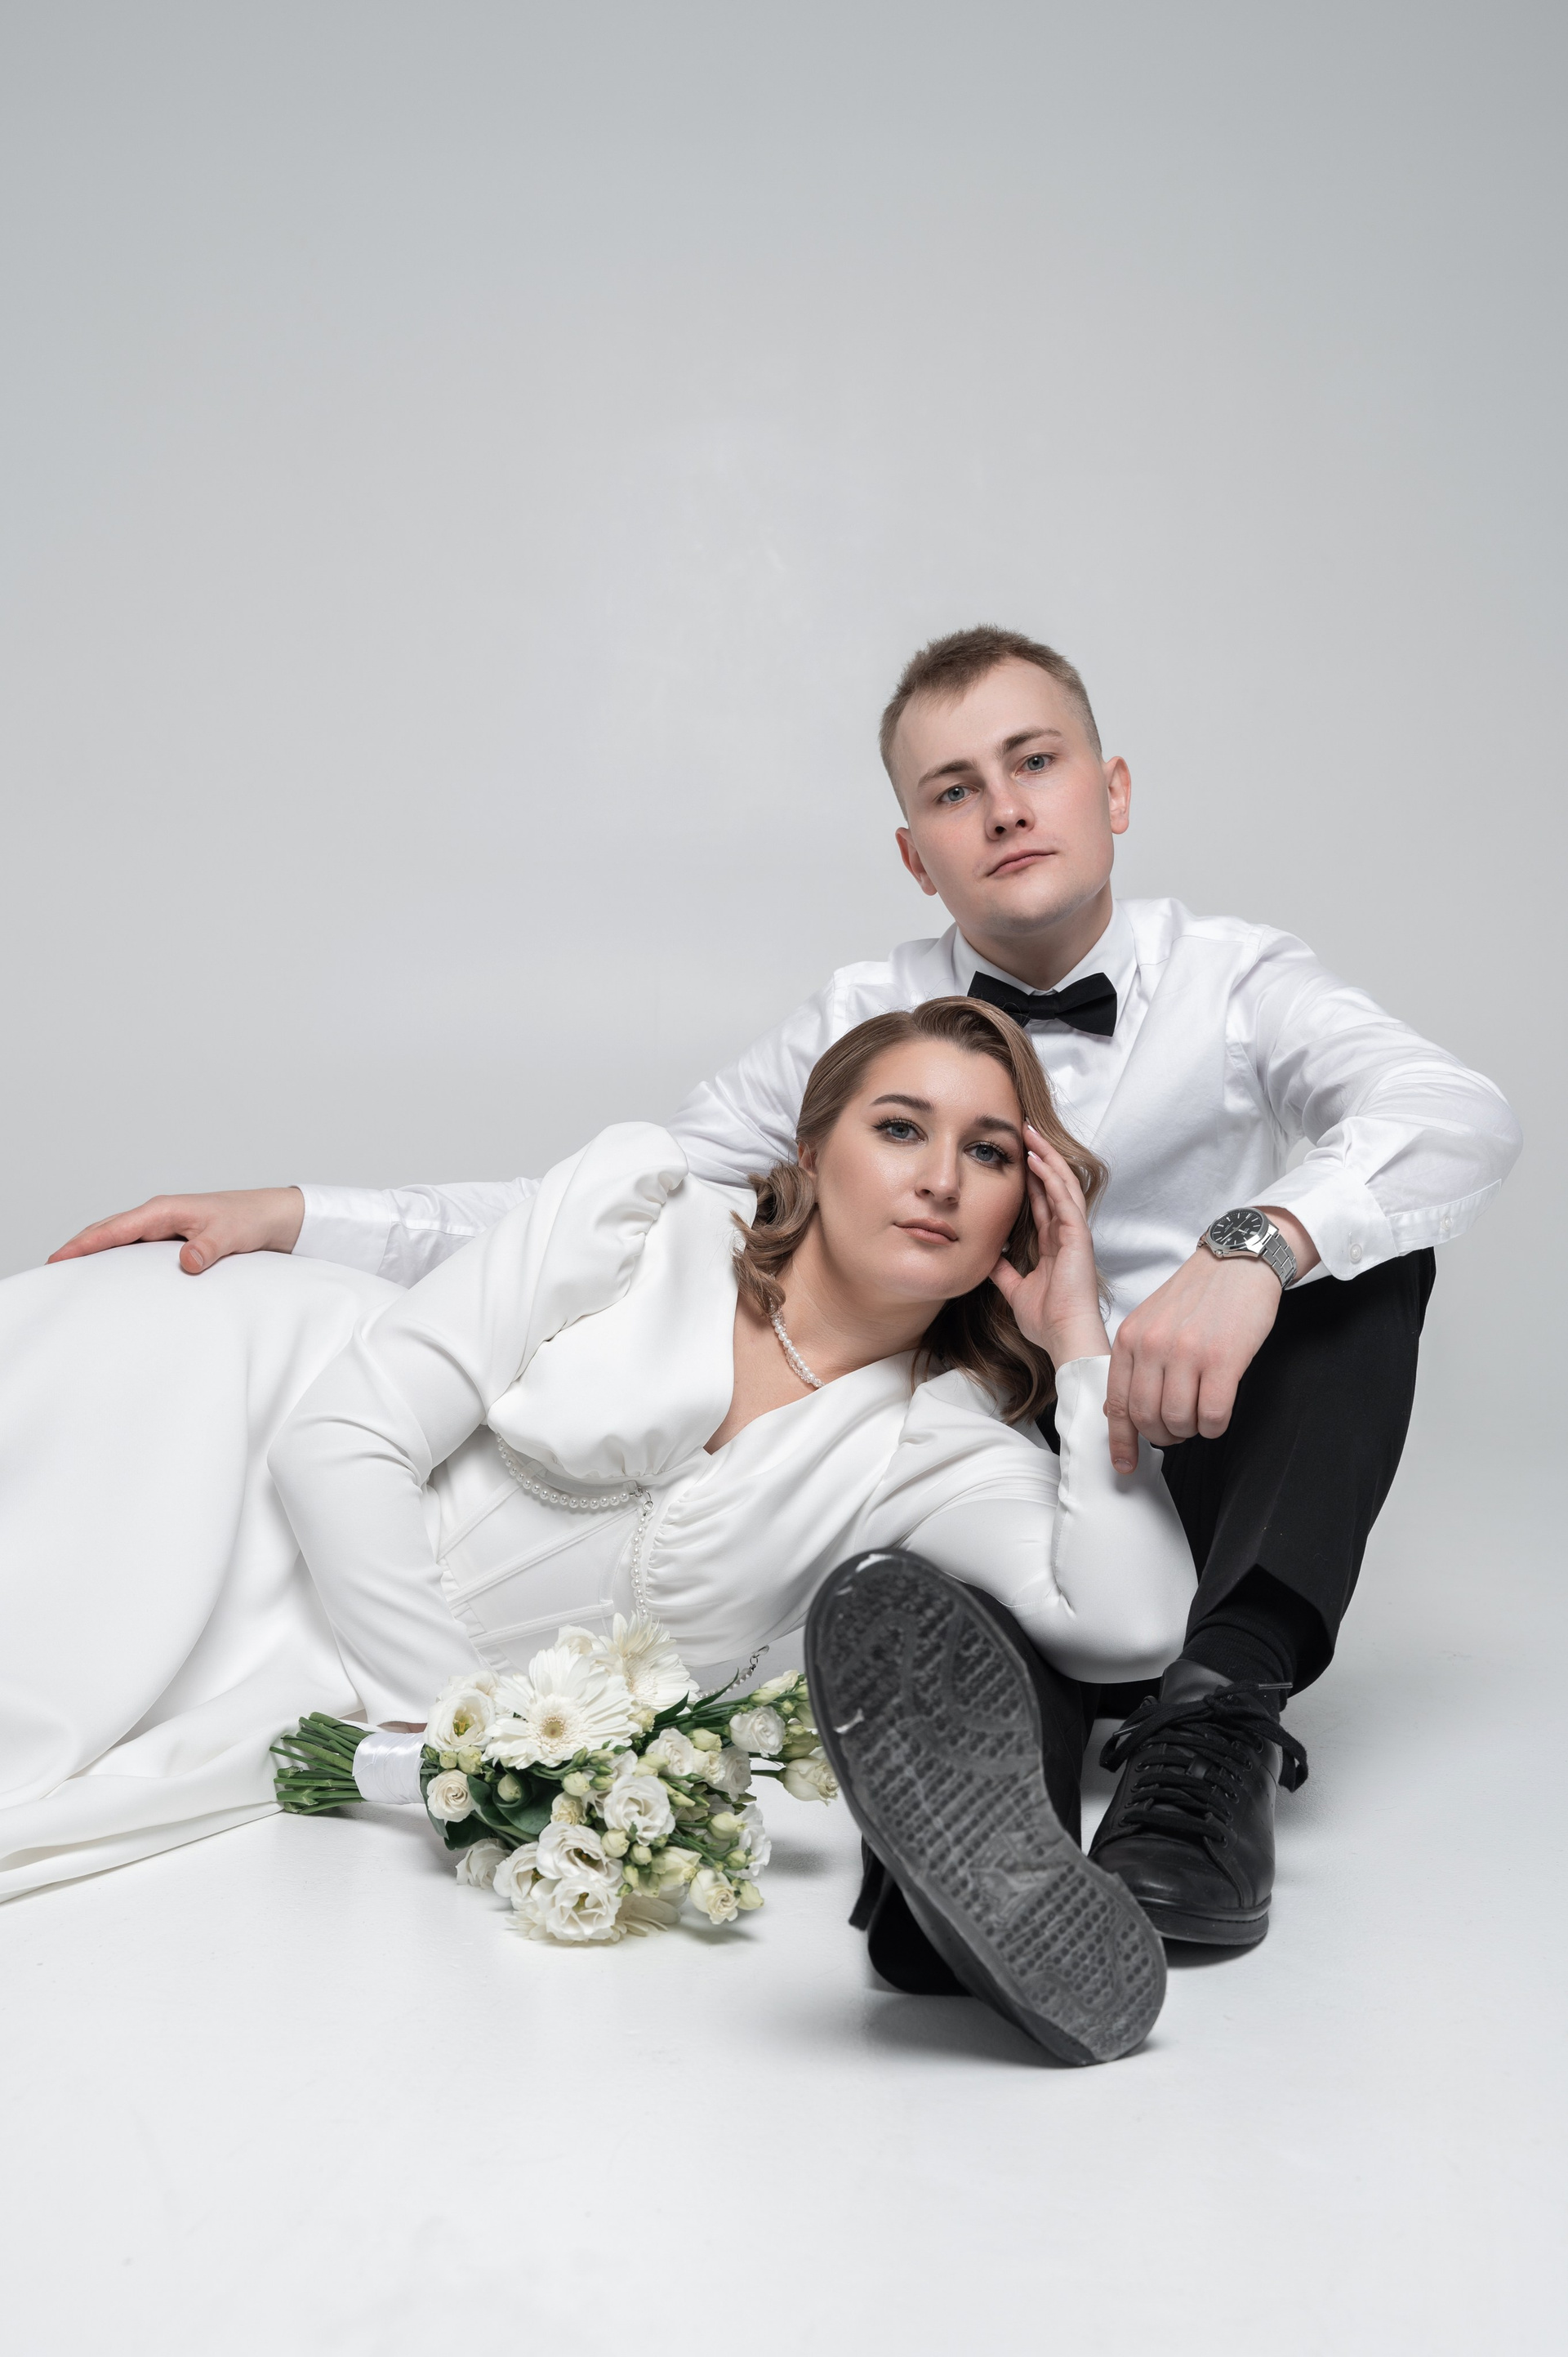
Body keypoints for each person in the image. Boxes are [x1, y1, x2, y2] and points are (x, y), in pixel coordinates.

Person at [51, 626, 1521, 1969]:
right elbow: (625, 1200)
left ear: (1112, 788)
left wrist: (1252, 1247)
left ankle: (1213, 1723)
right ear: (916, 854)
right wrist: (304, 1214)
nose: (1005, 810)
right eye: (955, 791)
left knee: (1373, 1261)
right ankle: (956, 1874)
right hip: (968, 1426)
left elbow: (1454, 1112)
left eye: (1035, 763)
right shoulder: (858, 1026)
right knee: (941, 1613)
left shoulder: (1236, 984)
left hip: (1172, 1420)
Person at [4, 1000, 1195, 2063]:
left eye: (988, 1154)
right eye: (899, 1129)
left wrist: (1079, 1339)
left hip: (323, 1672)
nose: (939, 1178)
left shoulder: (943, 1443)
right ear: (812, 1151)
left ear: (1024, 1211)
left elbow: (1132, 1624)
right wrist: (460, 1739)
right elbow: (338, 1439)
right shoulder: (647, 1213)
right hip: (221, 1419)